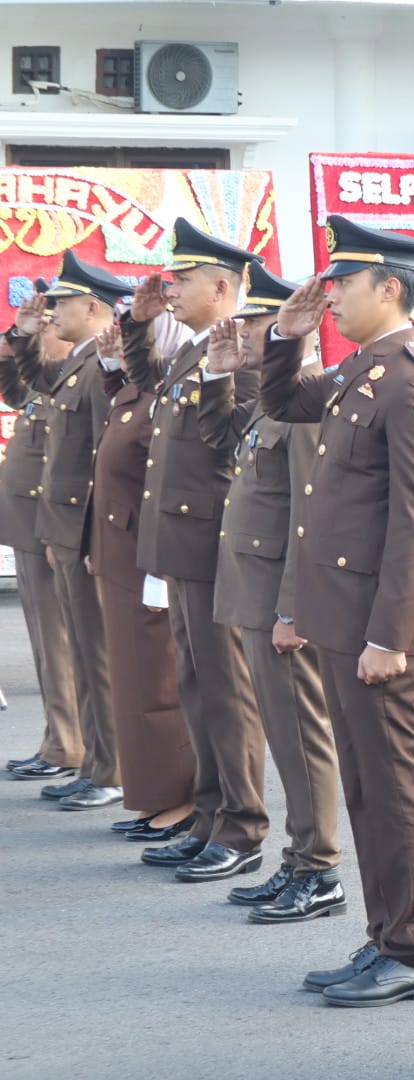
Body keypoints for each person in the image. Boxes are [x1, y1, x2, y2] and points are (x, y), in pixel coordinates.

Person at [261, 215, 414, 1008]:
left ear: (391, 290)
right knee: (367, 790)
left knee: (388, 787)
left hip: (382, 631)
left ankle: (408, 950)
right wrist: (286, 335)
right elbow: (284, 401)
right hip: (346, 621)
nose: (330, 295)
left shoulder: (407, 376)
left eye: (345, 283)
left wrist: (386, 635)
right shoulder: (361, 371)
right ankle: (384, 938)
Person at [196, 264, 345, 924]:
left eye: (254, 322)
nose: (245, 330)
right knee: (283, 735)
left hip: (277, 598)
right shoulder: (272, 398)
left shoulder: (308, 401)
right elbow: (222, 447)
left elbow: (307, 516)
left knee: (301, 734)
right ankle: (297, 857)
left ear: (292, 326)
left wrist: (293, 606)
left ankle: (319, 869)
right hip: (252, 589)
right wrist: (217, 376)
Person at [122, 218, 268, 883]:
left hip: (214, 544)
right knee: (195, 684)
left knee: (226, 689)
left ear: (220, 285)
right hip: (180, 544)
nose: (171, 290)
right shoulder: (191, 349)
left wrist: (220, 376)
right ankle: (208, 813)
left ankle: (242, 824)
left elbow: (231, 443)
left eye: (181, 281)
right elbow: (141, 390)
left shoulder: (255, 351)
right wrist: (136, 326)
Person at [9, 255, 125, 812]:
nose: (52, 312)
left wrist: (95, 540)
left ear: (93, 308)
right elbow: (29, 382)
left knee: (97, 656)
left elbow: (109, 459)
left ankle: (110, 768)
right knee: (83, 649)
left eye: (60, 304)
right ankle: (94, 761)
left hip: (86, 533)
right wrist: (23, 336)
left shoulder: (100, 368)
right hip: (65, 529)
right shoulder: (77, 365)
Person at [87, 319, 197, 843]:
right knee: (133, 685)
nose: (137, 353)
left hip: (146, 557)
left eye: (146, 343)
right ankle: (152, 795)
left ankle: (177, 799)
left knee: (157, 685)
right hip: (121, 553)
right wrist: (115, 364)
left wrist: (158, 563)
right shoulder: (141, 394)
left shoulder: (165, 401)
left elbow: (164, 481)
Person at [1, 308, 84, 785]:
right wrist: (12, 346)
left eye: (46, 327)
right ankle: (58, 738)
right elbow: (13, 389)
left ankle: (68, 743)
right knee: (44, 642)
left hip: (47, 525)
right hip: (29, 526)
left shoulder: (70, 382)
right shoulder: (46, 383)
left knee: (59, 643)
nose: (39, 337)